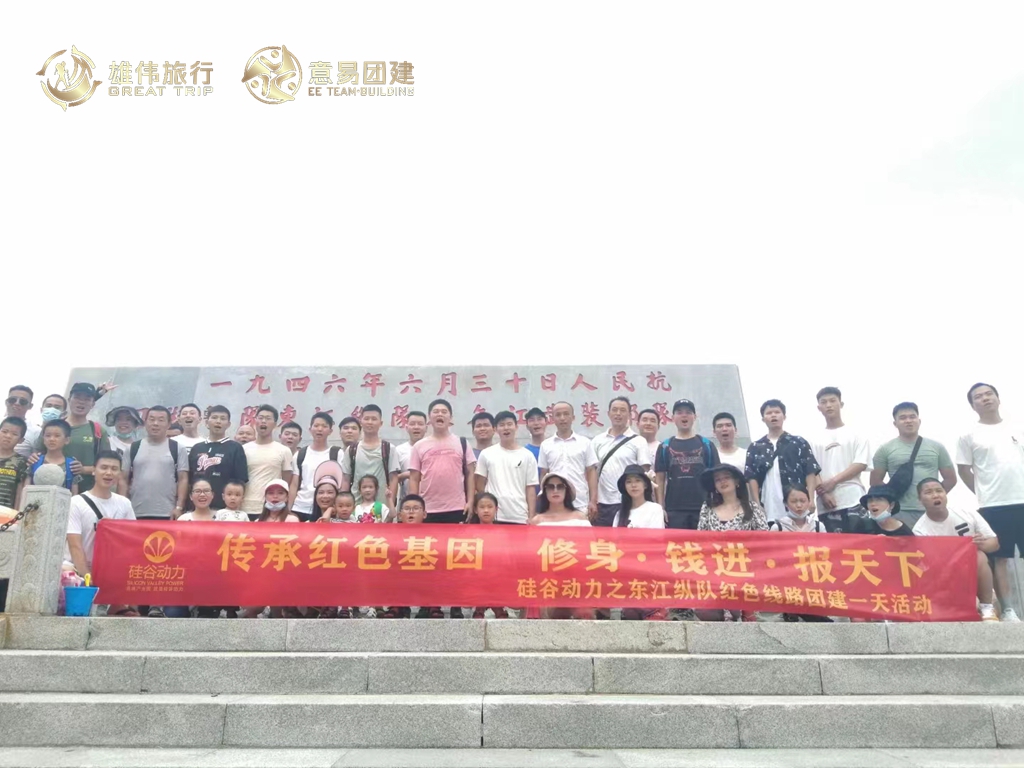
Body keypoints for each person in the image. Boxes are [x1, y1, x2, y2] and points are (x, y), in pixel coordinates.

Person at [956, 383, 1024, 623]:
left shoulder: (1017, 426)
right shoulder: (968, 435)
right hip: (993, 504)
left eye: (989, 394)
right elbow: (963, 470)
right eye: (978, 397)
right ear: (972, 405)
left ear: (998, 398)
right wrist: (982, 492)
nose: (985, 399)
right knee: (999, 559)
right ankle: (1008, 610)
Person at [913, 477, 999, 621]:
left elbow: (994, 543)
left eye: (939, 491)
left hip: (971, 567)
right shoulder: (919, 530)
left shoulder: (967, 513)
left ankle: (987, 607)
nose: (935, 495)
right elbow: (925, 564)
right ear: (920, 500)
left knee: (979, 555)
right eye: (928, 492)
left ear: (945, 494)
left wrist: (981, 543)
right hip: (942, 573)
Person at [65, 450, 137, 614]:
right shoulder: (76, 503)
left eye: (114, 469)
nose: (108, 473)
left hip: (110, 573)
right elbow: (75, 546)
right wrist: (88, 578)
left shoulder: (124, 504)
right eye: (103, 467)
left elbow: (130, 544)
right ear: (93, 470)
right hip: (78, 570)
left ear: (119, 473)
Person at [871, 402, 957, 530]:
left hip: (931, 511)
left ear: (919, 421)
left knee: (934, 543)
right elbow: (875, 482)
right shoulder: (885, 450)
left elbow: (950, 479)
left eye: (912, 417)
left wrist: (933, 498)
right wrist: (891, 500)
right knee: (903, 543)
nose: (908, 421)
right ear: (895, 423)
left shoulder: (937, 447)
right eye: (903, 418)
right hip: (900, 511)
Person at [530, 472, 592, 620]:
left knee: (584, 615)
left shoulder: (580, 517)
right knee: (552, 616)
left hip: (577, 577)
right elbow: (532, 554)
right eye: (551, 487)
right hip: (548, 579)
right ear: (545, 491)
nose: (555, 490)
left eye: (560, 486)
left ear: (566, 491)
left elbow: (590, 547)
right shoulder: (537, 521)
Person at [745, 399, 820, 522]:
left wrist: (811, 499)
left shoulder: (798, 442)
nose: (773, 415)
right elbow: (751, 477)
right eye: (769, 413)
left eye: (777, 412)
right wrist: (756, 504)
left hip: (797, 505)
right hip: (768, 505)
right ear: (763, 419)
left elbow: (810, 471)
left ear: (784, 416)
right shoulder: (756, 447)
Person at [809, 387, 871, 533]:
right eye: (824, 402)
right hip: (826, 503)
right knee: (833, 545)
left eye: (832, 401)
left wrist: (834, 481)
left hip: (854, 498)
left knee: (859, 542)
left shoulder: (856, 434)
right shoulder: (813, 439)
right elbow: (811, 470)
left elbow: (861, 463)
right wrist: (823, 494)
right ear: (819, 408)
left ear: (841, 404)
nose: (828, 405)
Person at [408, 399, 477, 523]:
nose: (440, 414)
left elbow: (470, 474)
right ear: (429, 418)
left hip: (457, 507)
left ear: (450, 418)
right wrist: (415, 506)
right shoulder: (419, 446)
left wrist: (470, 502)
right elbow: (414, 478)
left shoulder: (462, 443)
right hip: (427, 508)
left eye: (444, 412)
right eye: (436, 412)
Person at [655, 399, 720, 529]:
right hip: (674, 509)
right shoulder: (665, 446)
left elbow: (717, 477)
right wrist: (661, 508)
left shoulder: (707, 445)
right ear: (673, 417)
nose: (684, 416)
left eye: (688, 412)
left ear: (694, 417)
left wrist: (717, 506)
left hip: (704, 508)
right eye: (679, 412)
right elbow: (660, 480)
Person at [119, 406, 188, 520]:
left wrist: (179, 507)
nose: (155, 423)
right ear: (145, 423)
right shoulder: (132, 448)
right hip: (135, 512)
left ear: (169, 424)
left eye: (161, 420)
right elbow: (123, 479)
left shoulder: (178, 448)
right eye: (151, 419)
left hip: (168, 513)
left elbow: (183, 479)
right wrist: (122, 507)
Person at [591, 397, 651, 527]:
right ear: (608, 413)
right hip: (602, 504)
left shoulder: (638, 441)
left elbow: (644, 474)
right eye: (615, 410)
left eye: (623, 410)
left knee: (626, 539)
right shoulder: (597, 440)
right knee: (602, 539)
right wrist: (592, 500)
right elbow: (592, 472)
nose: (618, 413)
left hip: (629, 503)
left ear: (629, 414)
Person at [475, 411, 538, 524]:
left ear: (516, 427)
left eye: (509, 424)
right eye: (502, 425)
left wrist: (531, 515)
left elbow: (530, 488)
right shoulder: (486, 454)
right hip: (494, 517)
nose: (506, 428)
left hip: (520, 515)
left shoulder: (527, 455)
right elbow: (480, 484)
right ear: (495, 429)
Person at [538, 402, 598, 516]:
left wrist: (593, 501)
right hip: (555, 504)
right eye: (558, 415)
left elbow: (591, 472)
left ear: (573, 417)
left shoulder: (584, 443)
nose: (562, 418)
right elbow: (544, 474)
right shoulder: (546, 445)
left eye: (566, 414)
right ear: (553, 419)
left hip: (580, 503)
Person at [188, 405, 249, 510]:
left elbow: (240, 481)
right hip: (196, 508)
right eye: (214, 417)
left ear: (228, 424)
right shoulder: (196, 448)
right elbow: (189, 479)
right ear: (207, 422)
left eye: (223, 418)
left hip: (223, 509)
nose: (218, 421)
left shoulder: (235, 448)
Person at [241, 405, 294, 516]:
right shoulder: (244, 449)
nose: (263, 421)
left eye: (268, 418)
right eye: (260, 418)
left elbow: (286, 483)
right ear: (255, 421)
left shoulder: (284, 451)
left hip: (271, 509)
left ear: (275, 424)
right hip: (244, 507)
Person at [342, 405, 397, 506]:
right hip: (357, 507)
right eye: (366, 418)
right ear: (361, 422)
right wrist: (344, 505)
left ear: (381, 423)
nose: (370, 422)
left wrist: (391, 506)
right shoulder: (351, 450)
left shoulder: (389, 448)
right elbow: (346, 479)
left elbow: (393, 479)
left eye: (374, 419)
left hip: (382, 508)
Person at [289, 412, 340, 522]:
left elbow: (341, 484)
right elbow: (294, 484)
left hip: (325, 509)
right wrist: (288, 509)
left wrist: (336, 507)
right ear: (310, 429)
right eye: (316, 426)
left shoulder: (337, 453)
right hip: (300, 507)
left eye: (324, 426)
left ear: (330, 431)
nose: (319, 429)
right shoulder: (300, 454)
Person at [60, 382, 109, 493]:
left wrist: (84, 469)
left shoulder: (98, 431)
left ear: (93, 404)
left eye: (87, 399)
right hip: (53, 488)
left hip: (87, 493)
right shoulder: (54, 426)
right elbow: (38, 454)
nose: (81, 402)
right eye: (77, 397)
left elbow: (107, 464)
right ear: (69, 400)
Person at [698, 464, 768, 532]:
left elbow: (765, 535)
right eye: (717, 479)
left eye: (727, 477)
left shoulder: (752, 508)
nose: (722, 481)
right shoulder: (707, 508)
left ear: (736, 481)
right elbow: (700, 536)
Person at [389, 410, 427, 508]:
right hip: (406, 504)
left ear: (426, 428)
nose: (416, 427)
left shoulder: (432, 449)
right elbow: (392, 479)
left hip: (429, 503)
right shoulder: (398, 450)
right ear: (406, 427)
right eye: (412, 424)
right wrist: (405, 475)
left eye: (420, 424)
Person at [31, 420, 77, 492]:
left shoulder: (71, 465)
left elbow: (74, 492)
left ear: (67, 440)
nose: (52, 439)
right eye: (48, 436)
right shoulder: (35, 461)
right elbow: (26, 487)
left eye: (57, 436)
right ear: (43, 439)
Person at [616, 464, 665, 529]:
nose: (633, 485)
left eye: (638, 480)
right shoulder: (619, 514)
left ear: (645, 485)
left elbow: (657, 534)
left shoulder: (655, 509)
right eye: (629, 482)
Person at [0, 417, 29, 510]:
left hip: (6, 513)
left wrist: (15, 514)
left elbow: (19, 492)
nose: (8, 436)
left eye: (14, 434)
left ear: (21, 440)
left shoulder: (21, 462)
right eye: (4, 432)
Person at [5, 386, 39, 458]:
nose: (17, 403)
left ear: (30, 406)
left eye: (22, 401)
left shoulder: (36, 431)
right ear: (6, 402)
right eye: (12, 400)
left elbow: (36, 457)